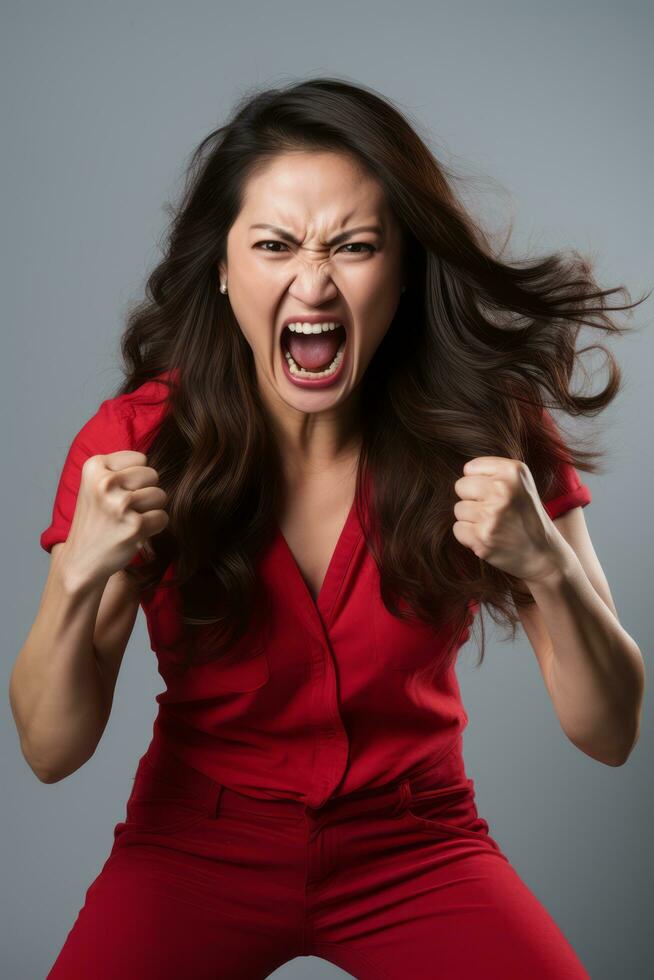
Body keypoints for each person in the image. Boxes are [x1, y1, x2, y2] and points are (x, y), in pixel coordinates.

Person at [12, 78, 645, 979]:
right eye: (274, 246)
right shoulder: (135, 445)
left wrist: (547, 564)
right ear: (226, 268)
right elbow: (49, 750)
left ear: (404, 266)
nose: (312, 281)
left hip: (416, 841)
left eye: (353, 246)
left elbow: (612, 729)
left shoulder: (489, 432)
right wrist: (79, 579)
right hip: (197, 839)